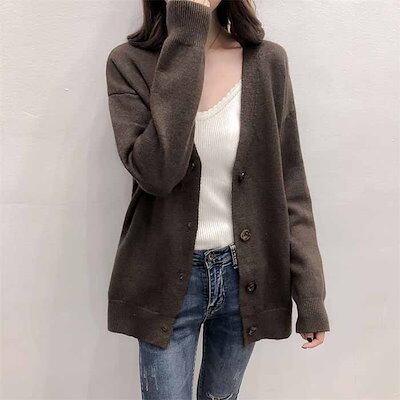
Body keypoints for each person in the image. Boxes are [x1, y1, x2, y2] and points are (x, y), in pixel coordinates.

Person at [105, 0, 330, 398]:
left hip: (246, 278)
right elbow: (158, 173)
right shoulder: (129, 63)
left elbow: (291, 187)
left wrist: (310, 295)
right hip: (166, 279)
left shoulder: (267, 62)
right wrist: (186, 37)